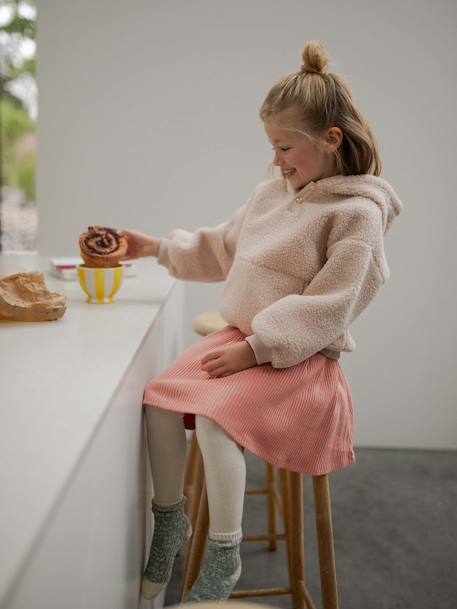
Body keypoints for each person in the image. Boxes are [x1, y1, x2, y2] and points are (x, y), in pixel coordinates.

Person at [119, 40, 404, 603]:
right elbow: (222, 248)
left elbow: (333, 304)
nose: (277, 161)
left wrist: (257, 348)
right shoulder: (273, 193)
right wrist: (154, 246)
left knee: (218, 419)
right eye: (272, 147)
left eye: (285, 147)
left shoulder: (357, 215)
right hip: (240, 341)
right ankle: (171, 519)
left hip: (296, 357)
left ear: (331, 140)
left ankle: (224, 552)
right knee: (158, 399)